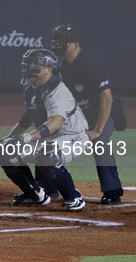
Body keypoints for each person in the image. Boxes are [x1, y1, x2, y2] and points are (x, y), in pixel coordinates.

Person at [0, 49, 88, 211]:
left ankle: (73, 198)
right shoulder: (31, 86)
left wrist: (26, 138)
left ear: (49, 68)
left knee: (47, 155)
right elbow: (29, 116)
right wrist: (11, 137)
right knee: (6, 150)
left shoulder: (57, 91)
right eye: (30, 63)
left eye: (37, 64)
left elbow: (55, 123)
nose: (31, 66)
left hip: (73, 137)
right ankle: (36, 195)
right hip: (49, 138)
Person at [50, 25, 124, 205]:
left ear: (75, 44)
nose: (58, 45)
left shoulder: (90, 64)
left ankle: (112, 191)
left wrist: (98, 130)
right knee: (49, 137)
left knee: (100, 142)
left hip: (101, 113)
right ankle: (48, 187)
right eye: (56, 41)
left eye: (62, 42)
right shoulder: (60, 66)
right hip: (77, 115)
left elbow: (106, 98)